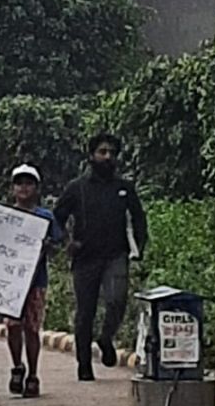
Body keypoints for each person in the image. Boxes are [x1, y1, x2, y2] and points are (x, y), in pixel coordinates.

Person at [54, 134, 148, 381]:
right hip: (85, 258)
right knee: (86, 312)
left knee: (117, 300)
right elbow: (57, 217)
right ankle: (84, 364)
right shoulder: (78, 188)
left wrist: (139, 247)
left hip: (116, 255)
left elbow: (139, 218)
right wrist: (67, 242)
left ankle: (106, 338)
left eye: (112, 153)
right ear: (91, 156)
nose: (107, 157)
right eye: (102, 152)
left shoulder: (124, 188)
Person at [5, 165, 62, 399]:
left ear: (36, 188)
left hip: (36, 280)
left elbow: (57, 241)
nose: (24, 188)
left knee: (32, 329)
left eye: (28, 183)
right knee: (12, 326)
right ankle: (17, 366)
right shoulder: (5, 216)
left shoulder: (45, 217)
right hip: (9, 281)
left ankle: (33, 375)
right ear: (13, 188)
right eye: (20, 183)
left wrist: (48, 244)